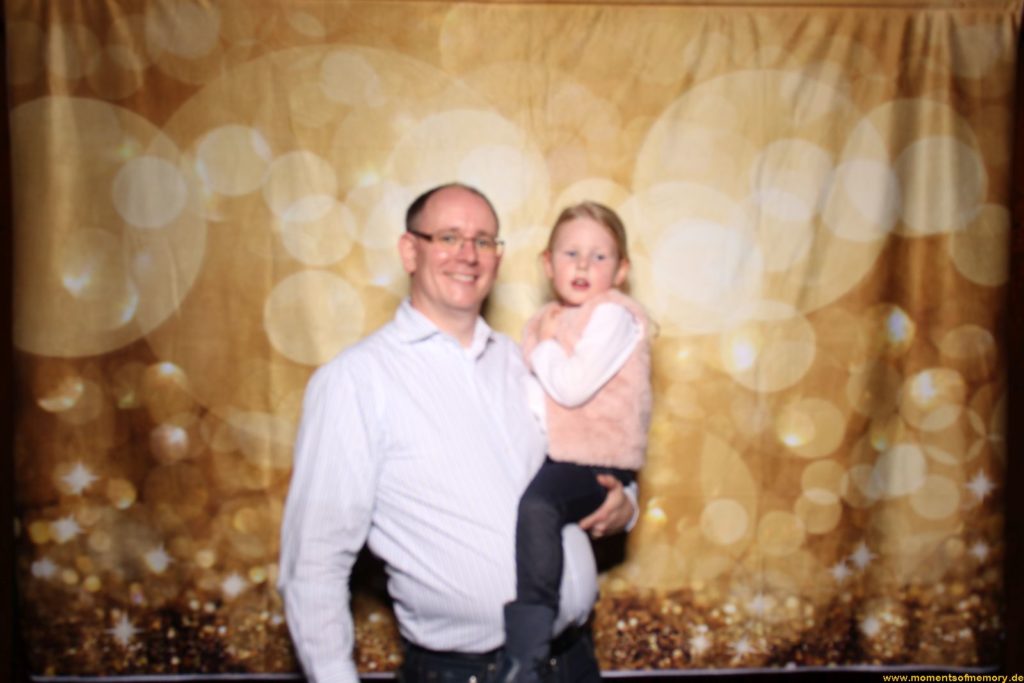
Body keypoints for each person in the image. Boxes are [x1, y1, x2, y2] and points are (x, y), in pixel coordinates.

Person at [277, 183, 637, 683]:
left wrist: (625, 502)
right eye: (448, 237)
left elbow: (593, 444)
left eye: (483, 240)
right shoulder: (355, 382)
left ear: (497, 257)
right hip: (468, 673)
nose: (468, 255)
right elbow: (313, 565)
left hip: (575, 662)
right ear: (410, 251)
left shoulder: (526, 361)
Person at [499, 202, 652, 683]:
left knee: (539, 507)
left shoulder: (612, 315)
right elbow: (534, 402)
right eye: (571, 253)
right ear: (547, 263)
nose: (583, 265)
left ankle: (525, 654)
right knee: (538, 509)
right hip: (566, 457)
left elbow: (570, 388)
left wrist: (544, 346)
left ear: (621, 271)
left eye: (599, 256)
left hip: (594, 459)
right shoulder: (544, 321)